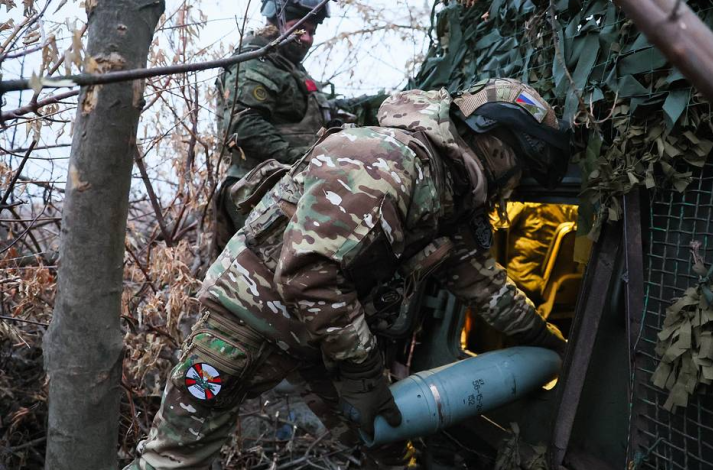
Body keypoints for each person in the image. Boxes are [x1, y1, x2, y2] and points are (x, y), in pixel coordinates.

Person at [124, 78, 572, 469]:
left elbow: (479, 281)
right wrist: (362, 373)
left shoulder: (445, 194)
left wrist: (545, 339)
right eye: (521, 172)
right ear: (497, 147)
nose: (515, 188)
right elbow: (311, 273)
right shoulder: (386, 160)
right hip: (247, 326)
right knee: (174, 459)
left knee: (390, 449)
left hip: (325, 337)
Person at [213, 0, 332, 248]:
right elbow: (243, 126)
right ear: (275, 22)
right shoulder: (256, 61)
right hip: (255, 193)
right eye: (299, 29)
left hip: (284, 191)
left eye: (312, 31)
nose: (308, 38)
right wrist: (303, 161)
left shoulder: (288, 67)